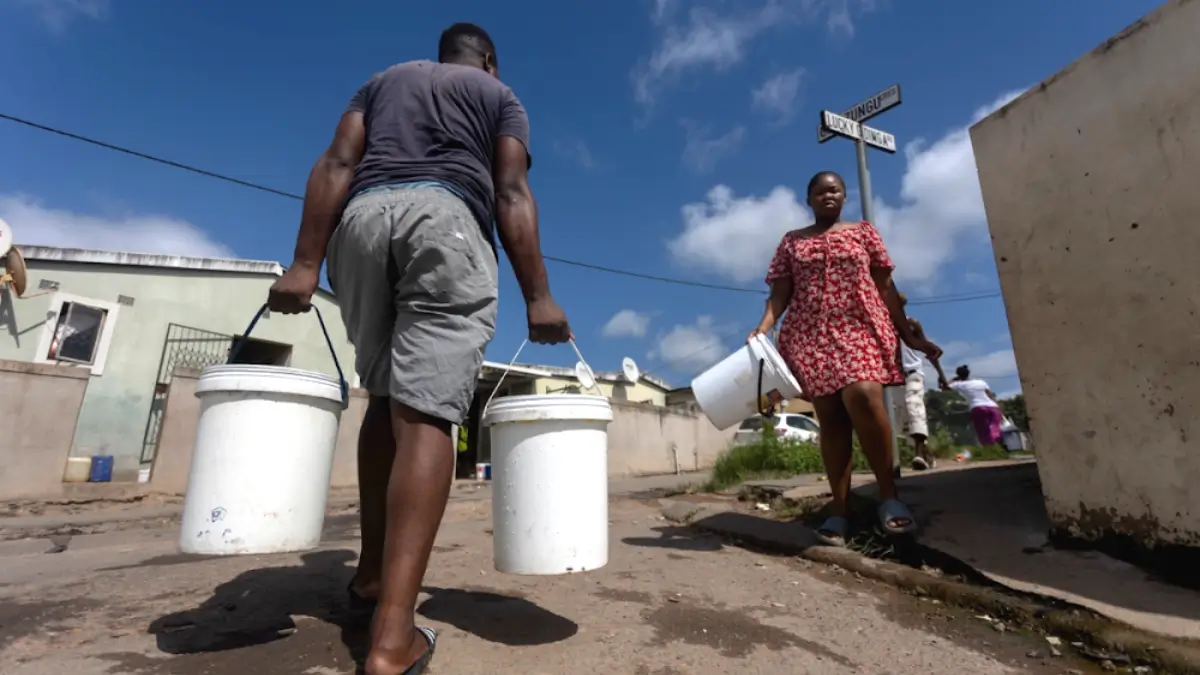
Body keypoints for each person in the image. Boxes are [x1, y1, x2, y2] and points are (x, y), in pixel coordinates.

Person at [266, 23, 571, 675]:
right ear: (489, 60)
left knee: (385, 398)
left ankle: (371, 577)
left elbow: (337, 162)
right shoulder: (499, 97)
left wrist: (304, 264)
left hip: (361, 227)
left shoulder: (382, 82)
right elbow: (511, 190)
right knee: (428, 411)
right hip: (445, 223)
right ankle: (392, 637)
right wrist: (539, 297)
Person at [749, 170, 941, 547]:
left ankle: (888, 496)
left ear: (844, 196)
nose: (829, 196)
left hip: (861, 325)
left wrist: (908, 334)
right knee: (832, 416)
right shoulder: (791, 242)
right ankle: (840, 509)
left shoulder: (864, 233)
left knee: (864, 394)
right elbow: (780, 293)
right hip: (809, 334)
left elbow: (885, 285)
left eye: (835, 190)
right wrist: (763, 328)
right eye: (821, 191)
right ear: (809, 199)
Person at [896, 291, 947, 471]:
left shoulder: (911, 323)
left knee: (914, 406)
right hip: (895, 377)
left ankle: (918, 455)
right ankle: (926, 451)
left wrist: (942, 376)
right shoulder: (882, 324)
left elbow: (927, 349)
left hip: (913, 372)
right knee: (903, 421)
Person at [942, 365, 1004, 447]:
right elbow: (991, 395)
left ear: (958, 375)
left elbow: (944, 388)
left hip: (978, 408)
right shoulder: (981, 382)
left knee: (983, 432)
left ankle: (989, 448)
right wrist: (999, 408)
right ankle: (997, 446)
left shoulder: (959, 385)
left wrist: (954, 379)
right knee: (995, 429)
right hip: (993, 407)